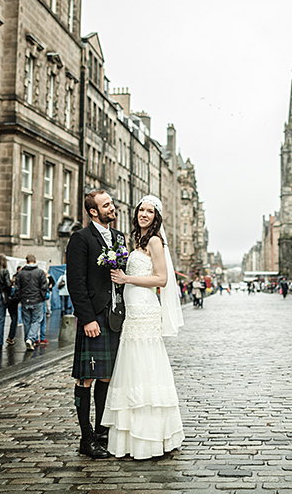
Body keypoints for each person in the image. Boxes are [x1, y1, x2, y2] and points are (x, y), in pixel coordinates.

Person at [102, 195, 184, 459]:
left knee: (145, 366)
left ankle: (150, 438)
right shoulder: (136, 241)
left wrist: (127, 278)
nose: (144, 214)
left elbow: (161, 279)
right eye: (141, 210)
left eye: (150, 211)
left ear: (156, 217)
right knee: (132, 368)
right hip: (132, 311)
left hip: (146, 310)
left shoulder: (155, 241)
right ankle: (131, 437)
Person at [66, 189, 126, 459]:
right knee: (86, 377)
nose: (112, 208)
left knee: (107, 376)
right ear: (93, 212)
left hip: (114, 316)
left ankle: (102, 432)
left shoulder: (118, 238)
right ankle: (85, 437)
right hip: (94, 316)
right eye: (106, 205)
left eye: (111, 203)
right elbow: (75, 282)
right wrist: (87, 317)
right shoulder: (80, 239)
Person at [13, 254, 47, 351]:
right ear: (35, 261)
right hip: (37, 300)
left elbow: (17, 287)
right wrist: (42, 297)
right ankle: (30, 338)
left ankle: (28, 339)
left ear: (26, 261)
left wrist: (19, 297)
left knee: (26, 322)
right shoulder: (40, 272)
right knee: (37, 320)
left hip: (25, 300)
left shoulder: (21, 273)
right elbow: (44, 287)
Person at [5, 266, 22, 346]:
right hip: (14, 303)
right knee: (14, 319)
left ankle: (10, 337)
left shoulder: (9, 287)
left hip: (9, 303)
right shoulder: (16, 288)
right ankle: (10, 337)